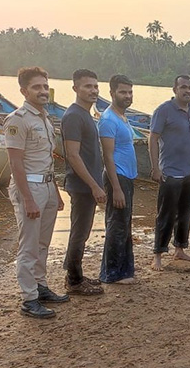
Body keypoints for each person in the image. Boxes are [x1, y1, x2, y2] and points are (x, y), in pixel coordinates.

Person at [4, 66, 69, 318]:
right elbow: (15, 163)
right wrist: (28, 199)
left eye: (45, 86)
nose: (43, 91)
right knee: (29, 246)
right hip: (29, 188)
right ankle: (28, 299)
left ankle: (41, 287)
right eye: (36, 87)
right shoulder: (17, 120)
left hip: (48, 186)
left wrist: (56, 192)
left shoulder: (44, 118)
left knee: (43, 243)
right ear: (24, 91)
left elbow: (47, 160)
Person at [149, 75, 190, 271]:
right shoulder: (164, 111)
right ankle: (158, 255)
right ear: (175, 90)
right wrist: (155, 168)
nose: (187, 91)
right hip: (170, 172)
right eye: (183, 87)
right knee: (166, 214)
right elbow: (153, 139)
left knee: (186, 212)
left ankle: (180, 248)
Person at [61, 69, 106, 295]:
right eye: (87, 86)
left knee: (82, 231)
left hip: (88, 184)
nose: (93, 91)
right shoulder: (73, 116)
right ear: (75, 88)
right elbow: (73, 155)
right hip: (81, 186)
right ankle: (74, 281)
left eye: (95, 86)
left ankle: (75, 273)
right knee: (79, 232)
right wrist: (94, 185)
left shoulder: (86, 115)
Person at [98, 75, 138, 284]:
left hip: (127, 177)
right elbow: (107, 156)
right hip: (118, 178)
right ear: (112, 93)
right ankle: (112, 273)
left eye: (130, 92)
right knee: (117, 225)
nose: (127, 96)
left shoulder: (122, 116)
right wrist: (116, 188)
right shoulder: (107, 120)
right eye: (123, 92)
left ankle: (124, 270)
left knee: (124, 224)